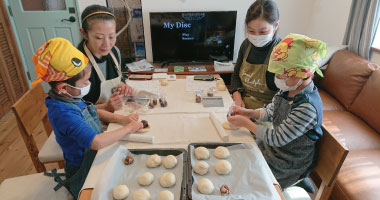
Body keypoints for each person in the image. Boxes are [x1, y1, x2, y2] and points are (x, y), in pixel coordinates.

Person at [31, 38, 143, 198]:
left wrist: (121, 119)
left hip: (95, 154)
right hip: (83, 167)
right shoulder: (63, 113)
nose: (88, 84)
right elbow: (96, 142)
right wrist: (128, 129)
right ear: (63, 87)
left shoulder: (69, 97)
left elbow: (91, 110)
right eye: (84, 82)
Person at [227, 33, 327, 188]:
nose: (277, 77)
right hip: (273, 150)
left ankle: (298, 181)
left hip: (288, 163)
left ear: (300, 73)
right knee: (236, 159)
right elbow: (270, 111)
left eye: (282, 73)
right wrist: (248, 113)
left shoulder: (307, 107)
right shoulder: (288, 89)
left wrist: (246, 123)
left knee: (244, 181)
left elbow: (277, 138)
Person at [78, 4, 132, 112]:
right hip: (90, 120)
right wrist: (105, 107)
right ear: (84, 34)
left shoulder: (114, 52)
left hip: (115, 111)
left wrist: (122, 85)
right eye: (99, 38)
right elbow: (74, 111)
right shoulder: (77, 63)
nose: (107, 44)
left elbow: (117, 78)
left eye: (112, 36)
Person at [231, 0, 281, 109]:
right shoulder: (246, 45)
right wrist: (237, 98)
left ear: (276, 25)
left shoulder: (283, 53)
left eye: (263, 32)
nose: (256, 36)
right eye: (251, 31)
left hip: (269, 110)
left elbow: (284, 96)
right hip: (242, 104)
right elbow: (235, 76)